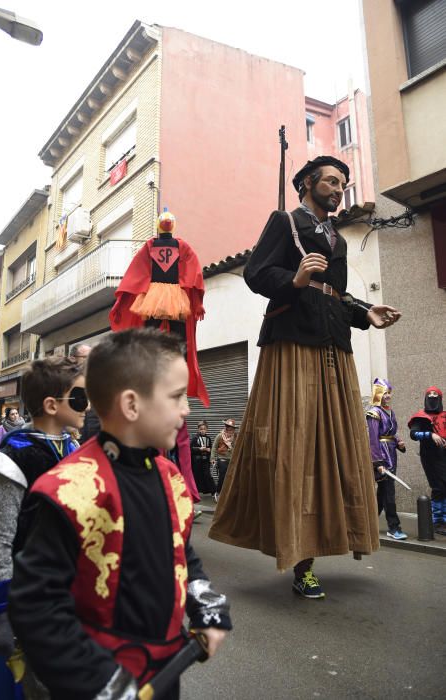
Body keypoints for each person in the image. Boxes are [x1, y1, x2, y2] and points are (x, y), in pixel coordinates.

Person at [209, 155, 402, 599]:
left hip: (334, 342)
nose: (339, 189)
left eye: (343, 183)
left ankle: (322, 542)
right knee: (296, 445)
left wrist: (364, 312)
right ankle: (299, 558)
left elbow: (336, 292)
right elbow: (257, 273)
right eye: (331, 181)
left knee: (332, 448)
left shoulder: (337, 238)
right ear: (308, 183)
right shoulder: (284, 221)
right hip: (292, 340)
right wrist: (293, 279)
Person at [8, 328, 231, 700]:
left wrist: (206, 606)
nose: (187, 410)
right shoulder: (69, 489)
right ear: (131, 405)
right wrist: (102, 683)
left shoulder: (171, 479)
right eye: (177, 397)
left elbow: (182, 554)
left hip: (164, 673)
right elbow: (37, 607)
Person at [0, 357, 87, 698]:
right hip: (29, 601)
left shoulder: (74, 449)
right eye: (81, 397)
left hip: (68, 599)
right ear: (52, 405)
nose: (90, 404)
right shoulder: (14, 459)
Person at [109, 208, 209, 504]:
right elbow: (194, 271)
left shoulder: (150, 246)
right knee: (175, 330)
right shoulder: (182, 246)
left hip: (154, 294)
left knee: (152, 326)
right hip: (175, 295)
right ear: (172, 226)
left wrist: (130, 292)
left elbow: (137, 272)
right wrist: (193, 293)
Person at [366, 378, 407, 540]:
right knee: (388, 491)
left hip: (392, 454)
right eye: (384, 393)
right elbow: (373, 439)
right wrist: (378, 463)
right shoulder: (374, 413)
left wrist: (399, 443)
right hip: (381, 456)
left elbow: (392, 432)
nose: (388, 396)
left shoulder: (390, 412)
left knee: (383, 492)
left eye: (389, 392)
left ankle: (368, 525)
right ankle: (394, 527)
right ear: (378, 394)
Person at [408, 386, 446, 536]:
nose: (432, 397)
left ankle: (444, 519)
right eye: (429, 395)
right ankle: (437, 521)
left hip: (444, 456)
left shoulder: (444, 415)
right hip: (430, 457)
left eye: (435, 395)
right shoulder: (421, 416)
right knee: (438, 487)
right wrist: (430, 435)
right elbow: (413, 434)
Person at [211, 420, 238, 502]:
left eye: (231, 428)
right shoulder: (220, 436)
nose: (229, 429)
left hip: (232, 460)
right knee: (222, 477)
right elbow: (214, 447)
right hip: (222, 459)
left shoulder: (235, 436)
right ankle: (218, 493)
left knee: (232, 478)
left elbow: (238, 447)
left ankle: (229, 495)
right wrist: (212, 458)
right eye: (228, 427)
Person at [190, 421, 213, 495]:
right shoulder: (195, 438)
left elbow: (211, 448)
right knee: (197, 475)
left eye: (204, 429)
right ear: (198, 429)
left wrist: (209, 450)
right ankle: (195, 491)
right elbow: (190, 449)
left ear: (207, 430)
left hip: (205, 460)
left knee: (207, 474)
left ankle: (211, 490)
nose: (202, 430)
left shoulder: (208, 438)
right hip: (197, 460)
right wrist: (199, 449)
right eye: (201, 429)